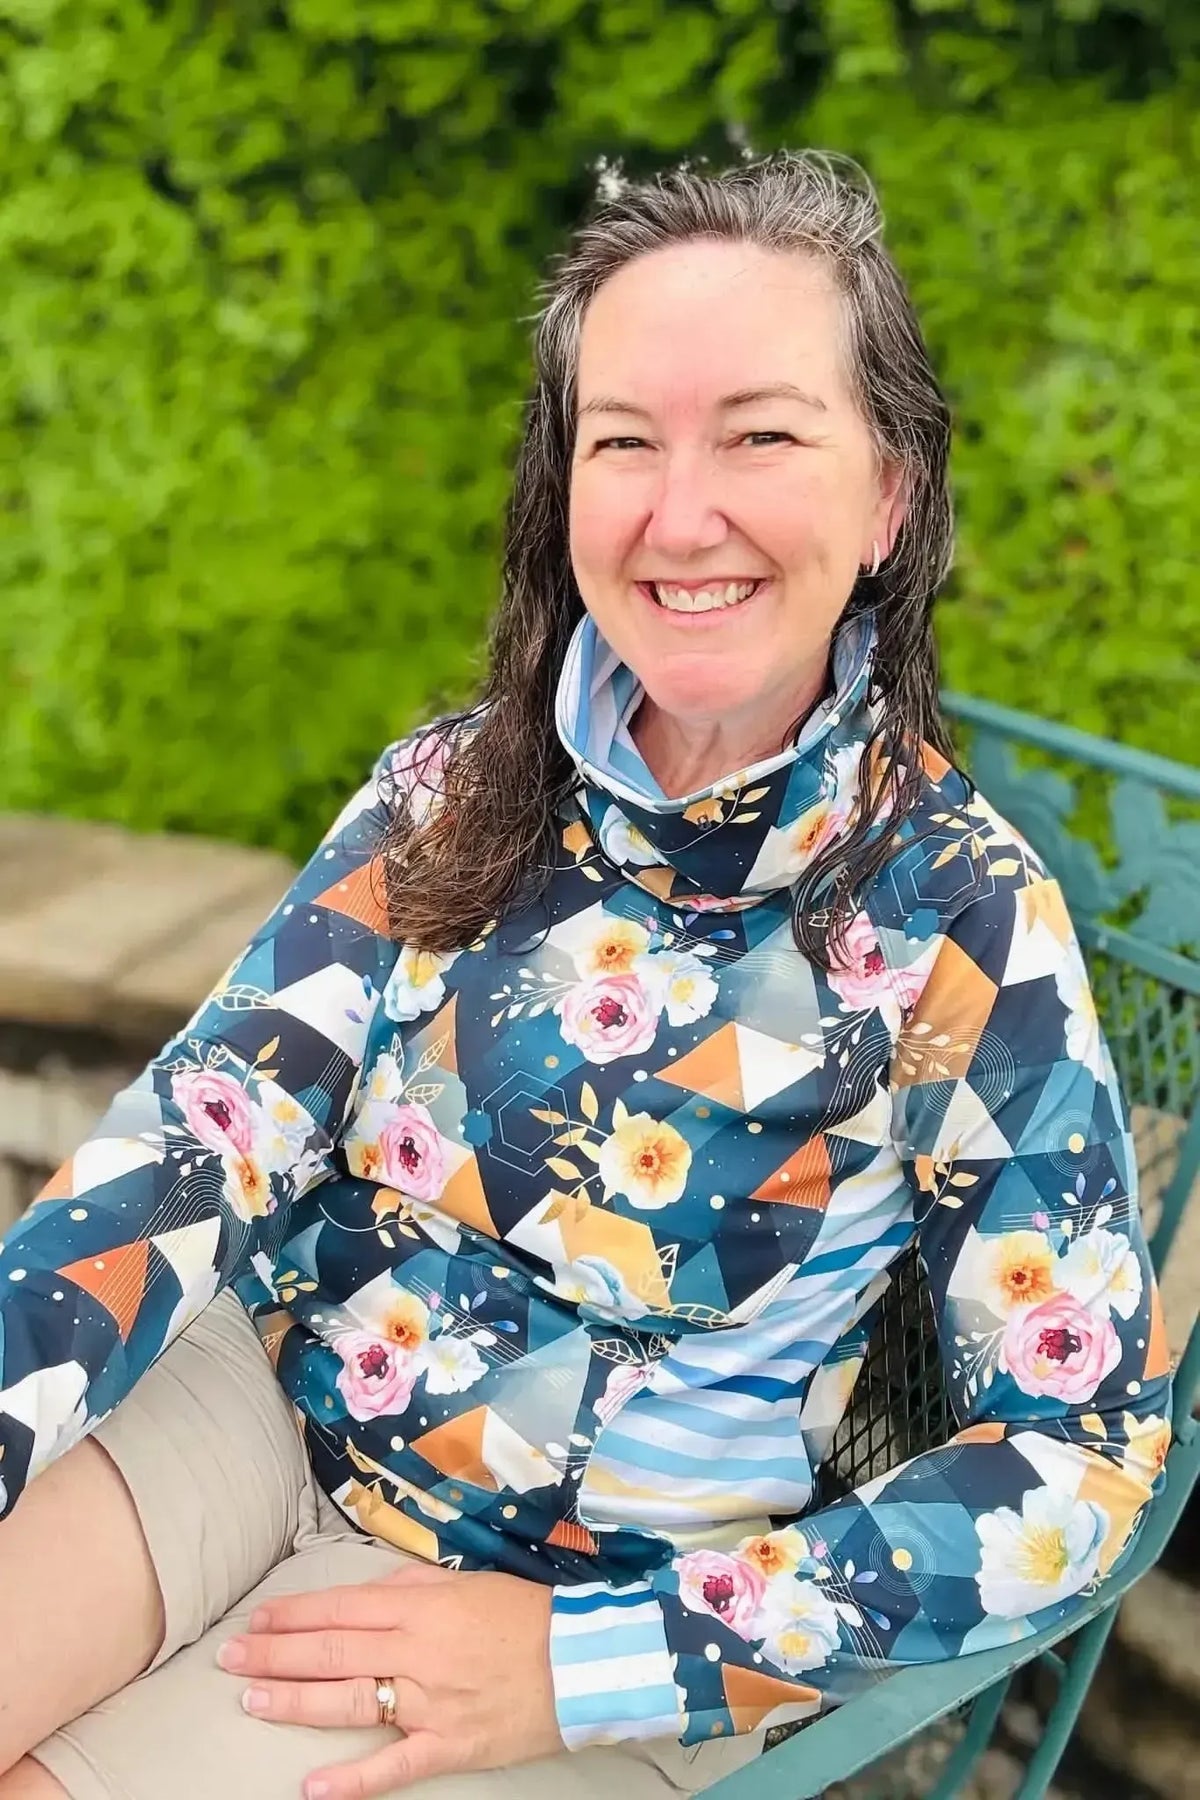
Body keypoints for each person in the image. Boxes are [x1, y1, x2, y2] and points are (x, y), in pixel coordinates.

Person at [0, 150, 1172, 1800]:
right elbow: (210, 1129)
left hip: (584, 1605)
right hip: (255, 1416)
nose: (680, 516)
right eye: (623, 440)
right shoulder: (454, 786)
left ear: (890, 497)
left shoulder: (960, 926)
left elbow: (1080, 1458)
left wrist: (591, 1659)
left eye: (761, 436)